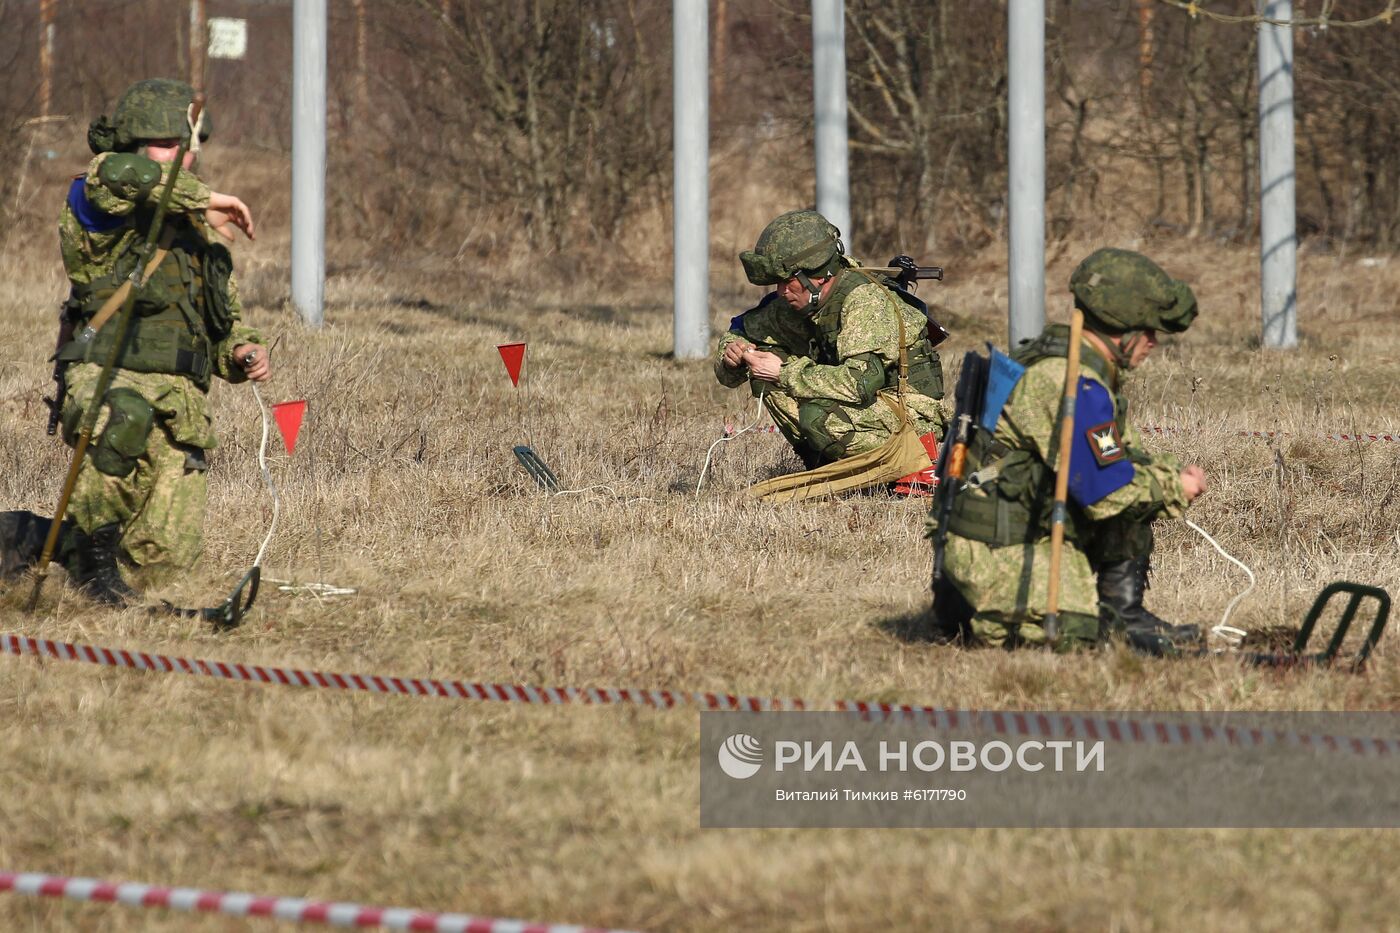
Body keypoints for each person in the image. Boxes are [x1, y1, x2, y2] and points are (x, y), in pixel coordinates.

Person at [0, 78, 268, 604]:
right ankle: (88, 569)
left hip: (182, 406)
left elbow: (223, 324)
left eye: (186, 147)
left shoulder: (202, 234)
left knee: (164, 565)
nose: (181, 158)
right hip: (111, 376)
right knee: (126, 416)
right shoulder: (100, 196)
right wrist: (210, 198)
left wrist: (242, 352)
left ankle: (28, 537)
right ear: (134, 142)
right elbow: (123, 177)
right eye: (167, 144)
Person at [931, 248, 1207, 653]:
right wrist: (1172, 487)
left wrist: (1157, 474)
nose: (1153, 342)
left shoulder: (1076, 366)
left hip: (1001, 542)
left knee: (1137, 479)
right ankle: (1110, 623)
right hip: (991, 565)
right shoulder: (1068, 379)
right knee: (1078, 639)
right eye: (1148, 331)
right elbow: (1106, 491)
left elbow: (1120, 461)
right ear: (1122, 328)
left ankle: (1124, 615)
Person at [714, 210, 946, 492]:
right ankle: (830, 465)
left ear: (818, 276)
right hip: (870, 409)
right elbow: (742, 329)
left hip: (910, 416)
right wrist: (733, 354)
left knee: (818, 415)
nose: (780, 291)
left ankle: (906, 467)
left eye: (787, 281)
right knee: (767, 380)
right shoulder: (799, 301)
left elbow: (859, 383)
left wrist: (784, 372)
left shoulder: (864, 301)